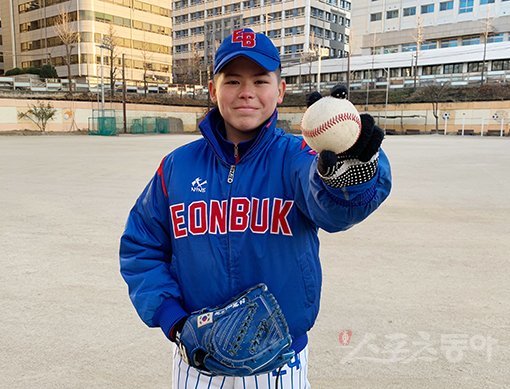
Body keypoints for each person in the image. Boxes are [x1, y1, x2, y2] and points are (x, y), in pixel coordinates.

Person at [120, 28, 392, 389]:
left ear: (279, 90)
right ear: (213, 90)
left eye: (260, 80)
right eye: (232, 80)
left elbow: (335, 211)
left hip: (279, 362)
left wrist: (349, 176)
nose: (246, 92)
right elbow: (141, 248)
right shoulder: (176, 167)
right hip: (199, 359)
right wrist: (173, 318)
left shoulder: (299, 158)